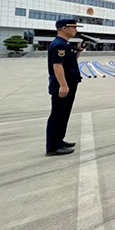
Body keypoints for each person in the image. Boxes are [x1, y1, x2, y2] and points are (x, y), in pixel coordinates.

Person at [46, 19, 85, 156]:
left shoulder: (65, 44)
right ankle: (53, 147)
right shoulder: (59, 45)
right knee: (58, 115)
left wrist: (79, 50)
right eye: (73, 27)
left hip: (69, 84)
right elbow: (57, 66)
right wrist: (63, 85)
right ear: (63, 28)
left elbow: (70, 61)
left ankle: (59, 141)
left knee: (63, 115)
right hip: (63, 86)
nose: (75, 29)